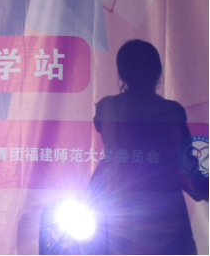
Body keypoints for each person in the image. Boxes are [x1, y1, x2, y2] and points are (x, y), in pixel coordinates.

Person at [88, 40, 208, 255]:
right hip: (165, 212)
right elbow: (187, 167)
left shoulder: (107, 107)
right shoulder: (171, 111)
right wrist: (200, 189)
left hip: (118, 207)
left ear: (122, 73)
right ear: (158, 72)